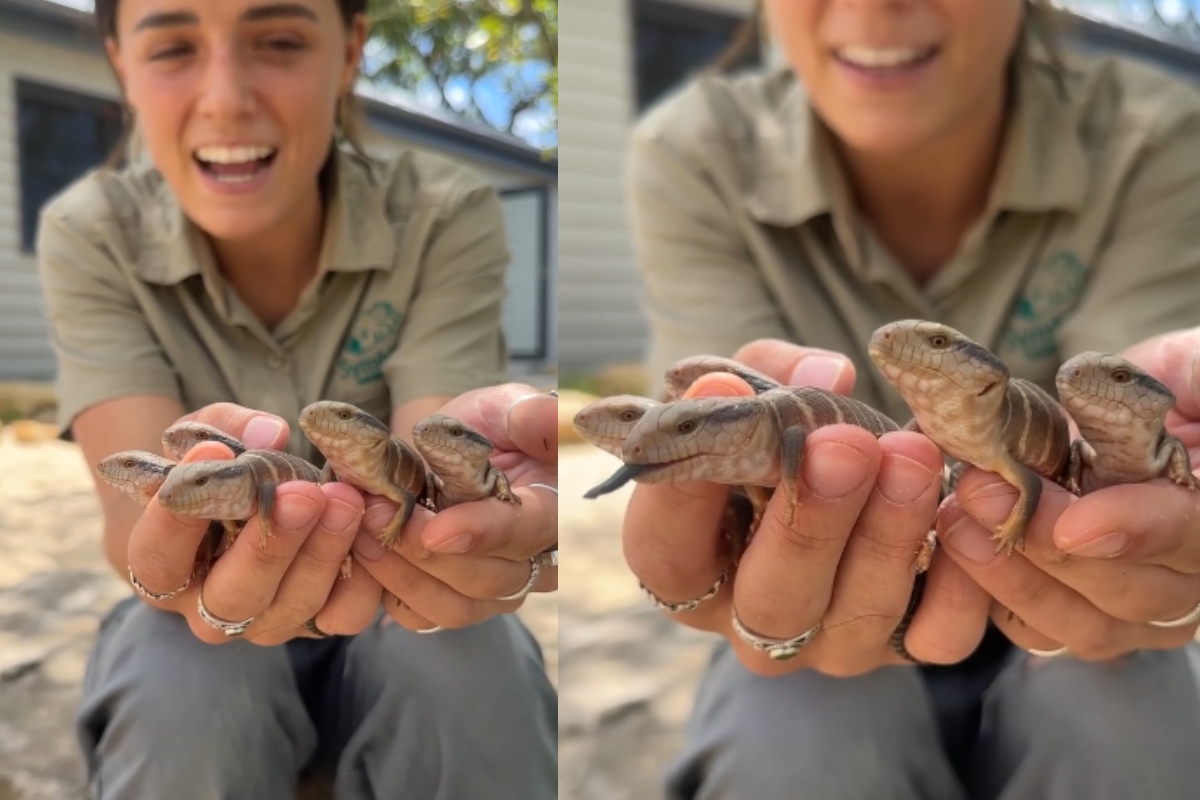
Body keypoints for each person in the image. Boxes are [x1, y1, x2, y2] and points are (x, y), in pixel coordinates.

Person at [621, 1, 1200, 798]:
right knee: (794, 747)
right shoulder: (691, 150)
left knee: (1136, 728)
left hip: (1075, 597)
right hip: (821, 611)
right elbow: (733, 456)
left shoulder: (1158, 133)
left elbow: (1129, 408)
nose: (873, 7)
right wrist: (709, 562)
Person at [34, 1, 557, 798]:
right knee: (183, 679)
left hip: (393, 596)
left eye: (278, 40)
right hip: (199, 620)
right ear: (118, 63)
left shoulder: (444, 212)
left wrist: (476, 528)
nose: (226, 98)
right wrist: (185, 532)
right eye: (174, 46)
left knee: (472, 660)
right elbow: (138, 535)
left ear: (350, 52)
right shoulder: (89, 232)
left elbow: (430, 491)